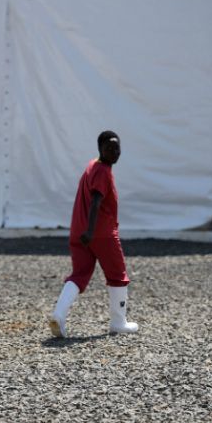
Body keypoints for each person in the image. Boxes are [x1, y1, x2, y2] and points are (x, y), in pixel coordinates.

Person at [49, 131, 138, 337]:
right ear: (100, 149)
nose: (114, 152)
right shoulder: (103, 172)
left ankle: (58, 316)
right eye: (109, 148)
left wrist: (85, 231)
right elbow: (96, 201)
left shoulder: (92, 166)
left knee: (79, 275)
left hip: (78, 231)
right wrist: (91, 231)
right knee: (118, 275)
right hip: (100, 233)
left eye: (117, 147)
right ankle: (118, 322)